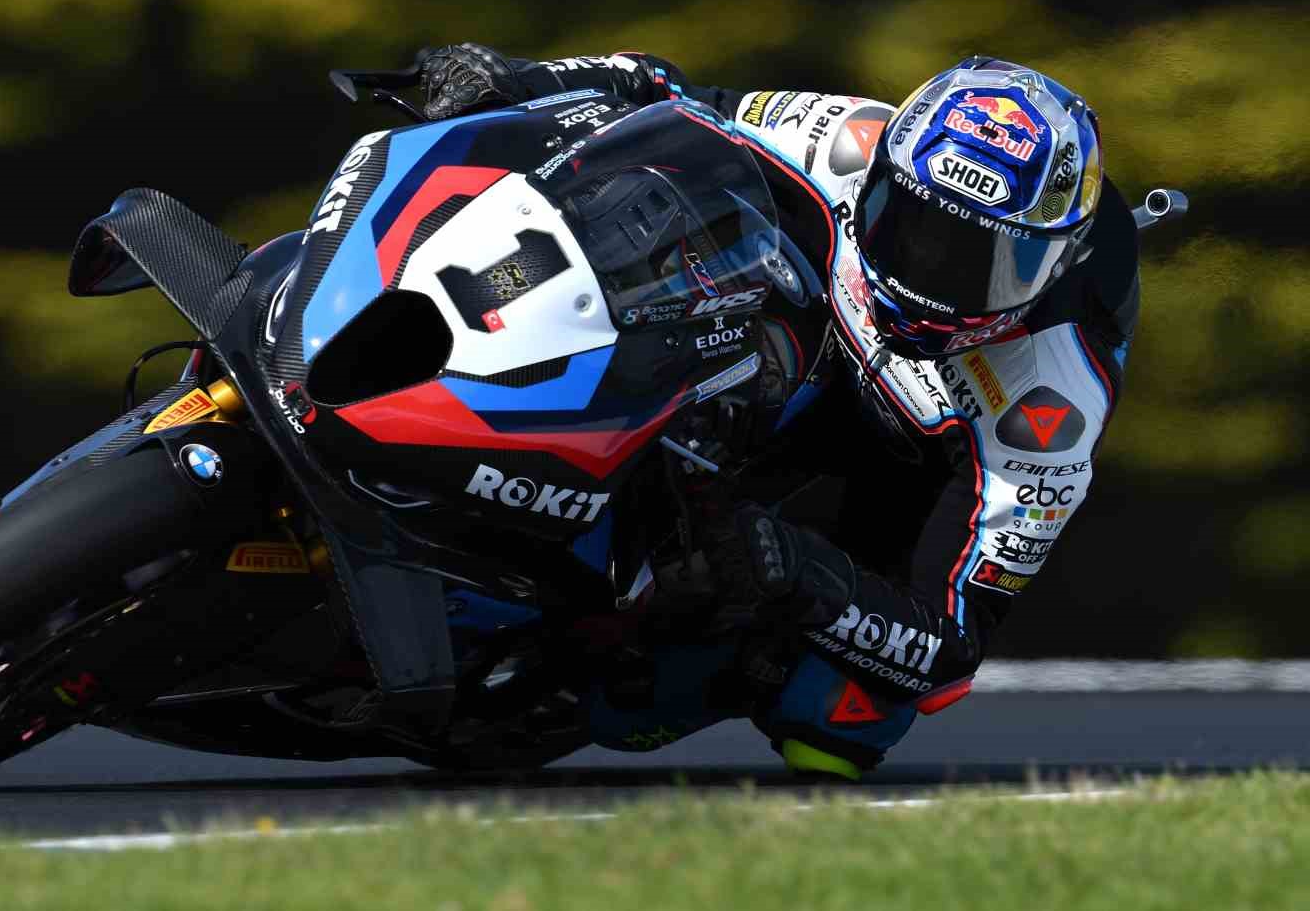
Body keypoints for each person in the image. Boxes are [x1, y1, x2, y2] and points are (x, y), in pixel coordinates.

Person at [413, 44, 1140, 778]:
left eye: (981, 262)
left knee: (838, 722)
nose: (926, 271)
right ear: (880, 172)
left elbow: (947, 654)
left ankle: (598, 667)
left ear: (1056, 264)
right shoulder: (849, 139)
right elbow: (661, 91)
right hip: (783, 352)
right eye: (907, 223)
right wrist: (517, 79)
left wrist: (799, 570)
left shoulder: (1049, 407)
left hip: (890, 484)